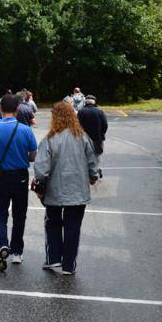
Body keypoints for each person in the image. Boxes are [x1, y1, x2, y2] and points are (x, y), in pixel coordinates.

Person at [34, 101, 99, 275]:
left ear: (54, 117)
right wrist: (93, 177)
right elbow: (92, 162)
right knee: (73, 227)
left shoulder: (49, 139)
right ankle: (69, 265)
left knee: (53, 224)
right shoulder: (83, 137)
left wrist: (40, 184)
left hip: (54, 190)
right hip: (78, 191)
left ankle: (54, 259)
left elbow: (41, 169)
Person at [0, 94, 38, 271]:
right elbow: (33, 155)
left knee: (0, 213)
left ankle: (2, 244)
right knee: (19, 215)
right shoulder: (25, 130)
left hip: (1, 176)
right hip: (20, 176)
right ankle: (17, 252)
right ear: (17, 109)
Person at [77, 94, 108, 179]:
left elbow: (76, 125)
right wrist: (101, 133)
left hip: (83, 139)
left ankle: (86, 172)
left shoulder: (81, 112)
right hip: (97, 138)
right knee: (97, 154)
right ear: (94, 102)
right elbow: (105, 125)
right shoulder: (99, 111)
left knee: (84, 155)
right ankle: (96, 171)